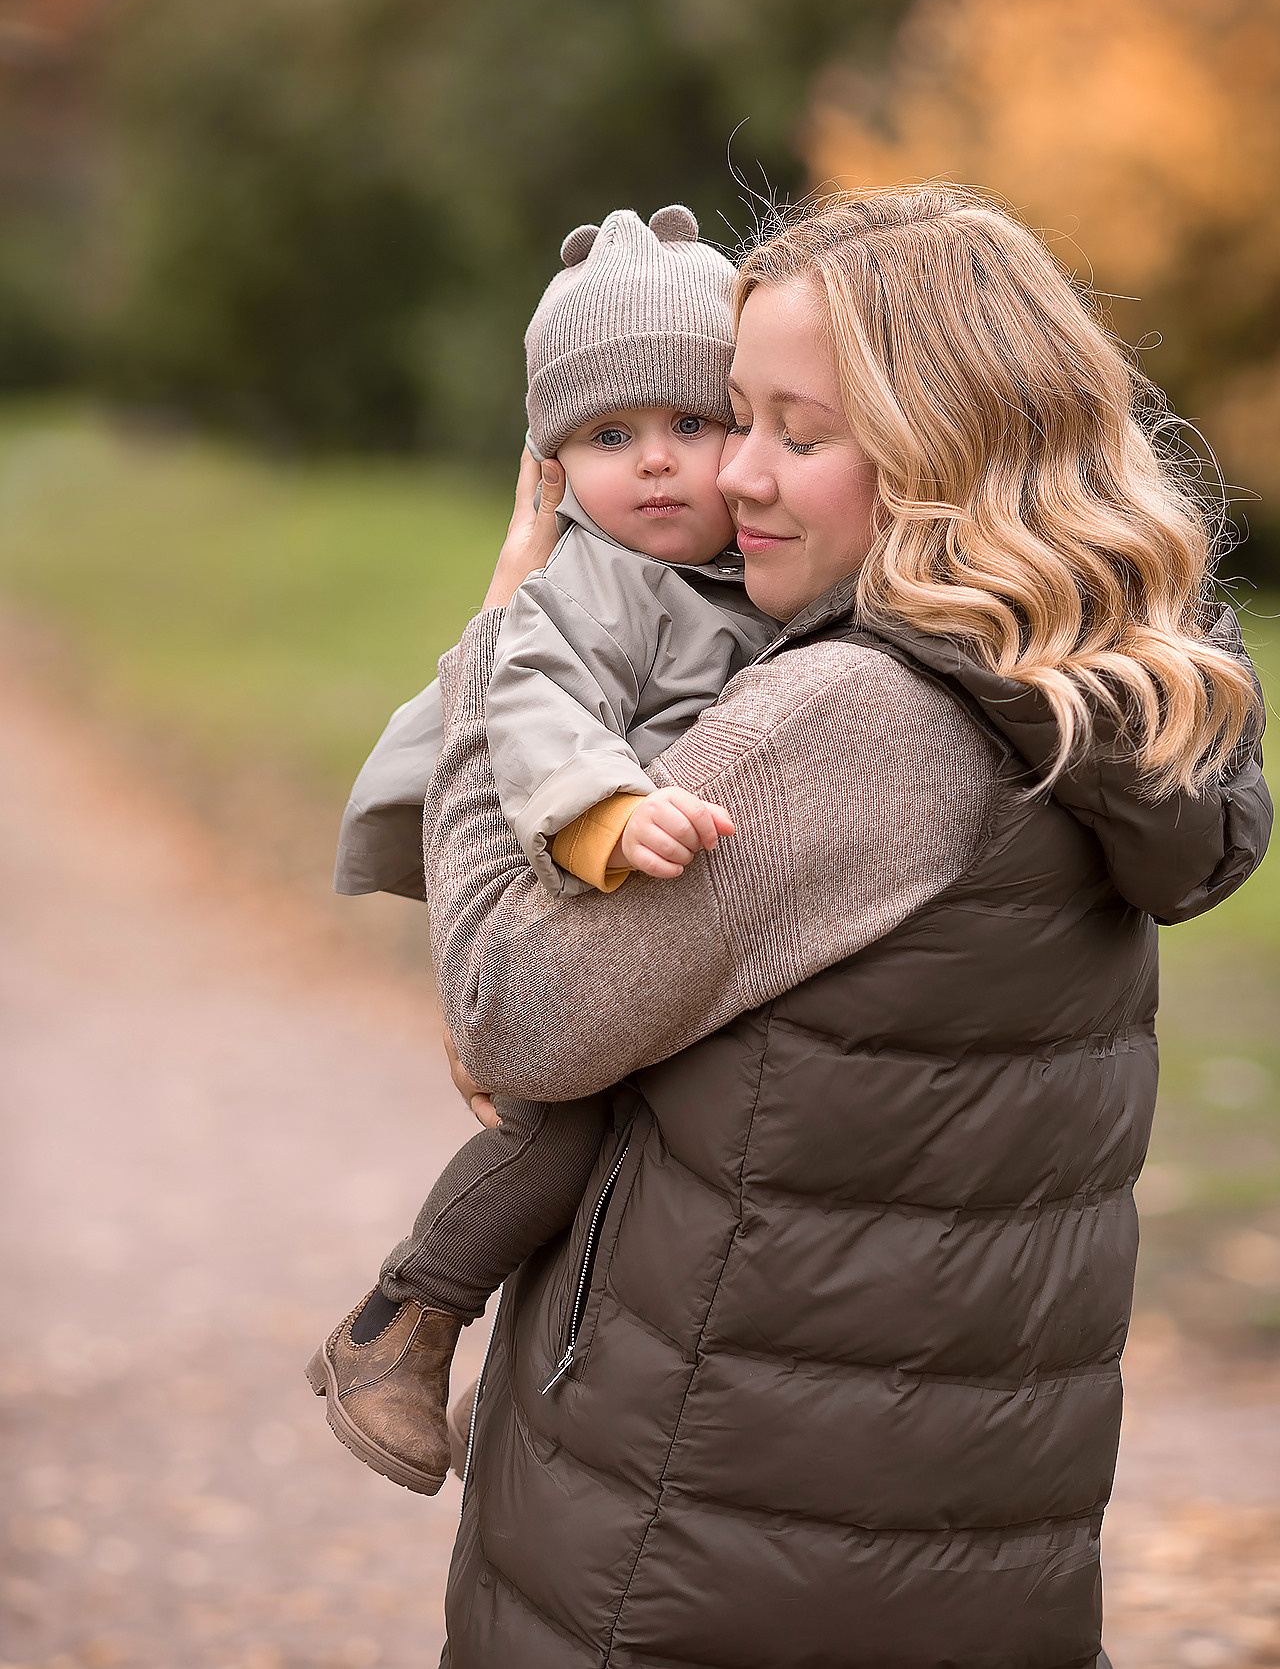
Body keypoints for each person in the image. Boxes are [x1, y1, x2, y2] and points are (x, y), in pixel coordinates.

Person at [420, 188, 1272, 1669]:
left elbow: (513, 1014)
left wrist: (495, 655)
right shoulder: (1082, 686)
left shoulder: (853, 721)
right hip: (944, 1550)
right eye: (729, 411)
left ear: (945, 447)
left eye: (796, 433)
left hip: (699, 1557)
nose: (732, 472)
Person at [307, 206, 776, 1496]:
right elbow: (531, 705)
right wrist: (603, 813)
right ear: (552, 460)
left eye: (697, 423)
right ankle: (399, 1323)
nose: (663, 465)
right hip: (571, 875)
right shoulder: (590, 583)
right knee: (565, 1129)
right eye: (611, 437)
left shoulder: (764, 567)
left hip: (686, 908)